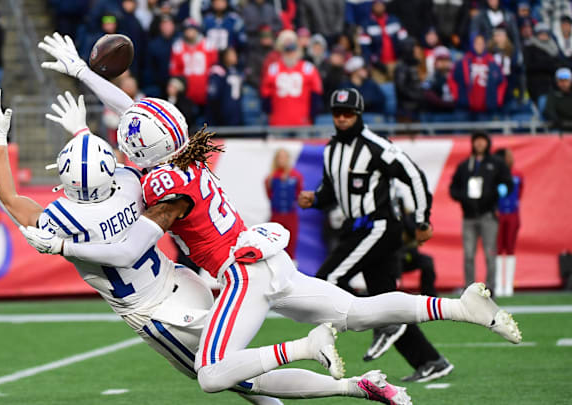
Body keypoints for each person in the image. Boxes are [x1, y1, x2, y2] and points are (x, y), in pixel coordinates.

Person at [29, 32, 521, 401]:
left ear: (141, 147)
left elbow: (132, 247)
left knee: (211, 374)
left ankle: (305, 347)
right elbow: (134, 109)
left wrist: (64, 246)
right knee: (355, 311)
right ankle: (460, 309)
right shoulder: (189, 153)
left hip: (242, 274)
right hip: (270, 260)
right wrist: (84, 74)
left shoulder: (163, 184)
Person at [0, 86, 365, 405]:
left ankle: (309, 353)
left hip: (154, 311)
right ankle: (351, 386)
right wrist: (82, 131)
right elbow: (131, 136)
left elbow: (9, 197)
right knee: (236, 368)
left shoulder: (63, 221)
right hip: (183, 279)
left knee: (227, 375)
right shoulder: (130, 182)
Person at [299, 88, 454, 382]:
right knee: (385, 302)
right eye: (337, 113)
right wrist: (315, 199)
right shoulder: (332, 150)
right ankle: (431, 360)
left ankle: (362, 331)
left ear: (359, 115)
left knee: (328, 280)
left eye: (348, 114)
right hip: (355, 228)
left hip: (379, 226)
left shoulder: (375, 145)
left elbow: (414, 175)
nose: (342, 119)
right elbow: (331, 190)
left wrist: (422, 220)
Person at [449, 131, 513, 294]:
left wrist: (496, 193)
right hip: (469, 217)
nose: (479, 144)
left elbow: (507, 183)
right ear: (472, 143)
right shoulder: (465, 166)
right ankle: (469, 290)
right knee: (469, 255)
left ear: (487, 143)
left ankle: (491, 288)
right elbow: (453, 188)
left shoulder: (496, 163)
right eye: (476, 141)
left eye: (482, 141)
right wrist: (463, 197)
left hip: (488, 216)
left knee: (489, 254)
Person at [260, 37, 323, 126]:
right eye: (287, 51)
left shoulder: (308, 68)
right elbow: (265, 93)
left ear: (298, 52)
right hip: (278, 122)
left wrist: (312, 115)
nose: (290, 54)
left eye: (292, 51)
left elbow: (316, 93)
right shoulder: (273, 68)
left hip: (302, 121)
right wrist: (269, 112)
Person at [170, 18, 218, 109]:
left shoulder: (208, 45)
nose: (189, 32)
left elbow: (214, 68)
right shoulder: (178, 46)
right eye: (187, 29)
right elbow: (175, 71)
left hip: (206, 90)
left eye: (192, 29)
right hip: (187, 93)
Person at [494, 148, 523, 297]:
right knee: (498, 248)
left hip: (513, 214)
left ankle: (509, 285)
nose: (509, 159)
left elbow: (519, 194)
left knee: (511, 248)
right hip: (499, 214)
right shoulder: (496, 175)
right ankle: (499, 284)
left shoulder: (518, 175)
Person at [265, 149, 303, 259]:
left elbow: (298, 194)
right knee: (274, 247)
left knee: (291, 246)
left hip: (291, 215)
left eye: (284, 157)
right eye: (280, 157)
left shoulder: (296, 176)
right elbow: (270, 196)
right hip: (276, 216)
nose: (282, 160)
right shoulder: (270, 178)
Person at [524, 22, 561, 104]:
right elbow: (528, 66)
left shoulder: (554, 46)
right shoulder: (530, 47)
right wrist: (546, 65)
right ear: (536, 34)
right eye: (541, 33)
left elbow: (558, 63)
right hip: (538, 86)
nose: (543, 35)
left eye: (545, 33)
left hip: (554, 85)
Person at [207, 47, 244, 126]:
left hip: (235, 113)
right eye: (231, 54)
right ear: (225, 56)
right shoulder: (218, 71)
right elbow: (213, 96)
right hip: (221, 114)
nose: (235, 56)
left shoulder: (236, 70)